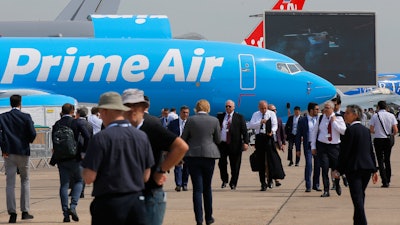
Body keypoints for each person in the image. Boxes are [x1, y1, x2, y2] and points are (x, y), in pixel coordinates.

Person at [81, 92, 154, 225]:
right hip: (135, 201)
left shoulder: (100, 138)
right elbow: (146, 175)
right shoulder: (141, 136)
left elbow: (89, 177)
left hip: (108, 203)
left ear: (104, 111)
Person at [122, 88, 189, 225]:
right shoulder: (120, 129)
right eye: (127, 106)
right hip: (124, 195)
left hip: (149, 194)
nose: (132, 110)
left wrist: (161, 170)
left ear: (144, 107)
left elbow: (181, 147)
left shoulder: (152, 127)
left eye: (136, 106)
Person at [334, 104, 378, 225]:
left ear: (355, 115)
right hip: (367, 169)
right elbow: (370, 151)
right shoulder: (365, 130)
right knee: (360, 196)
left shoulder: (350, 130)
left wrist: (338, 169)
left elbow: (344, 152)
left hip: (354, 169)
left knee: (357, 198)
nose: (345, 115)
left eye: (347, 113)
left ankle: (362, 222)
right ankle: (357, 222)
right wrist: (374, 169)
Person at [181, 99, 221, 225]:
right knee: (207, 187)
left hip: (193, 156)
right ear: (208, 108)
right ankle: (209, 217)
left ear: (196, 108)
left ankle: (199, 219)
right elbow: (218, 139)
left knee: (197, 189)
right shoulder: (214, 120)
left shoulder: (191, 120)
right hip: (209, 155)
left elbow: (183, 138)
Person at [51, 103, 90, 222]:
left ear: (62, 111)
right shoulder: (76, 122)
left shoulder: (57, 124)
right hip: (76, 157)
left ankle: (65, 213)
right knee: (79, 181)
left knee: (64, 184)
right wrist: (83, 152)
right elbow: (87, 136)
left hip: (61, 159)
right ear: (72, 111)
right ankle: (73, 206)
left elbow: (54, 141)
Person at [0, 95, 36, 223]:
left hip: (9, 153)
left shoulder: (3, 117)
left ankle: (12, 213)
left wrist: (3, 149)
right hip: (23, 151)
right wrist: (28, 141)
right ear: (20, 103)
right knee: (25, 180)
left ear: (10, 104)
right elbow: (32, 133)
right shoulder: (26, 117)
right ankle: (25, 211)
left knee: (10, 183)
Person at [310, 101, 346, 197]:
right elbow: (314, 132)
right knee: (324, 168)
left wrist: (334, 122)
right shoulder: (321, 118)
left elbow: (343, 131)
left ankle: (337, 184)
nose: (325, 109)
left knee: (335, 169)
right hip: (323, 146)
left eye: (327, 108)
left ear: (332, 109)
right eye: (324, 107)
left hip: (334, 146)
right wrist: (313, 146)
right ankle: (326, 190)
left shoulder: (338, 118)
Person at [217, 100, 249, 190]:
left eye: (229, 106)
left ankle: (233, 182)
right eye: (226, 106)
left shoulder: (239, 117)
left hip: (235, 144)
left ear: (234, 107)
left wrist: (246, 142)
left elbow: (244, 131)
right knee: (222, 163)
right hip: (223, 144)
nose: (228, 108)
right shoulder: (220, 117)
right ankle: (224, 180)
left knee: (235, 165)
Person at [248, 100, 277, 191]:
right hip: (260, 137)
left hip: (268, 137)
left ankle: (270, 180)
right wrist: (260, 122)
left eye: (265, 108)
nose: (263, 110)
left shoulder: (271, 114)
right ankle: (262, 183)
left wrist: (272, 131)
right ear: (258, 108)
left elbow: (275, 125)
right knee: (260, 161)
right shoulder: (256, 114)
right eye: (261, 108)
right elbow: (251, 125)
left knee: (270, 160)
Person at [369, 100, 398, 188]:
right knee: (387, 159)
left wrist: (377, 132)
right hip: (387, 139)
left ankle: (384, 181)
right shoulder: (391, 115)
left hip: (378, 139)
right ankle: (388, 179)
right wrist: (391, 135)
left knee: (380, 160)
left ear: (378, 107)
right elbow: (395, 130)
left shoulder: (375, 116)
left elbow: (371, 129)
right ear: (386, 107)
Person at [295, 102, 322, 192]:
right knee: (309, 165)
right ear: (311, 110)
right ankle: (308, 185)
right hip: (308, 145)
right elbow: (298, 135)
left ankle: (316, 184)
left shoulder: (320, 119)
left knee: (318, 166)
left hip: (318, 146)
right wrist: (298, 149)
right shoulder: (303, 121)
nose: (318, 111)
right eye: (316, 109)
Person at [167, 105, 191, 192]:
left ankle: (185, 184)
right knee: (177, 166)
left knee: (186, 167)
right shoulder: (173, 123)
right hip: (177, 148)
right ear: (180, 113)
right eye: (184, 112)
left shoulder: (190, 123)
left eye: (187, 113)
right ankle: (178, 184)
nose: (185, 114)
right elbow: (168, 135)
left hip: (188, 148)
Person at [75, 107, 93, 198]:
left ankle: (78, 190)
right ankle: (81, 190)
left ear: (78, 114)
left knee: (76, 171)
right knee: (83, 170)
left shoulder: (76, 123)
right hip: (86, 150)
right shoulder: (89, 124)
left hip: (76, 150)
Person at [268, 104, 286, 187]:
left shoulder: (278, 120)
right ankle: (269, 179)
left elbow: (282, 132)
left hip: (276, 144)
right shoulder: (266, 120)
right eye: (272, 110)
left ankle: (276, 180)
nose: (274, 111)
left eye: (274, 110)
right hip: (268, 144)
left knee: (276, 161)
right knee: (267, 163)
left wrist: (283, 143)